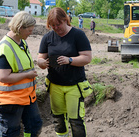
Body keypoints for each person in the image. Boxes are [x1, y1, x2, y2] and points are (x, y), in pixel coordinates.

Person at [37, 7, 93, 137]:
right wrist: (41, 63)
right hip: (55, 85)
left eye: (59, 24)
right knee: (58, 119)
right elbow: (40, 58)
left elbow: (87, 58)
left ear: (65, 20)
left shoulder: (78, 35)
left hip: (74, 85)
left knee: (76, 119)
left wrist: (70, 60)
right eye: (53, 25)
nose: (56, 28)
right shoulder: (47, 38)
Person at [0, 11, 43, 137]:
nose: (31, 33)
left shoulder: (22, 42)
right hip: (10, 100)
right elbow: (3, 77)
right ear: (20, 28)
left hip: (27, 96)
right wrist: (27, 75)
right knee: (10, 132)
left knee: (34, 125)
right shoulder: (5, 47)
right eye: (29, 30)